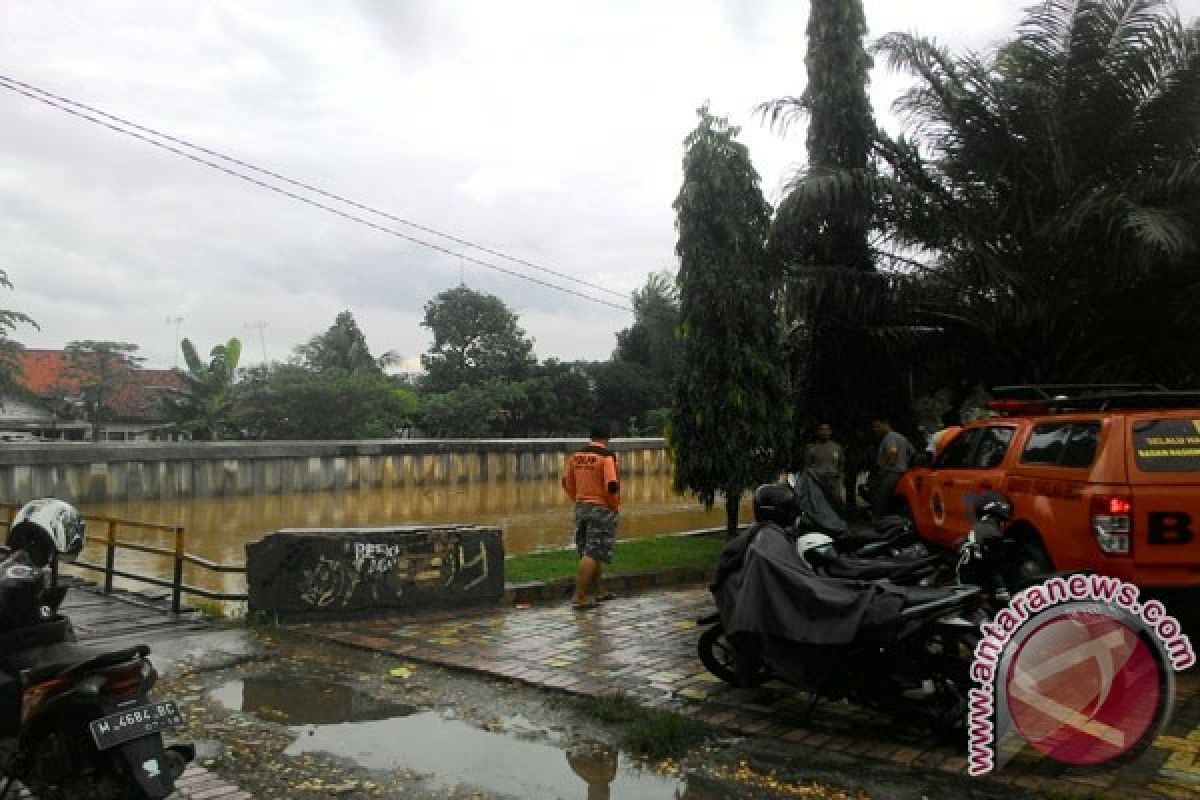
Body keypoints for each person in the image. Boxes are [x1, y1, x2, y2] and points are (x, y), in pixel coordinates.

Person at [562, 422, 620, 610]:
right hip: (601, 508)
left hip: (581, 507)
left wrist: (577, 499)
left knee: (590, 549)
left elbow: (566, 482)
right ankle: (579, 597)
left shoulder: (576, 456)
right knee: (593, 552)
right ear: (608, 436)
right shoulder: (607, 456)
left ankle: (600, 591)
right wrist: (613, 506)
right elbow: (611, 485)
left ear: (591, 435)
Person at [870, 418, 913, 520]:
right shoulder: (902, 437)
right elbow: (911, 452)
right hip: (901, 473)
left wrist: (884, 467)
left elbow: (892, 452)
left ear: (886, 424)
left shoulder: (890, 437)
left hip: (890, 473)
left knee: (881, 499)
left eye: (877, 426)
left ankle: (879, 521)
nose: (875, 429)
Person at [803, 422, 846, 515]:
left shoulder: (837, 447)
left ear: (830, 432)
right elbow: (807, 467)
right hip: (817, 482)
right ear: (818, 432)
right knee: (819, 505)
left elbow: (841, 464)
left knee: (835, 503)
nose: (824, 432)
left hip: (833, 481)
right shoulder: (812, 448)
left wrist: (839, 477)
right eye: (822, 430)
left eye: (827, 430)